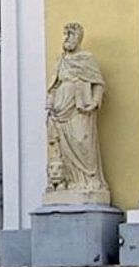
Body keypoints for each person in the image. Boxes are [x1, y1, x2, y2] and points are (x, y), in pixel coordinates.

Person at [45, 22, 108, 197]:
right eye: (65, 35)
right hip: (60, 109)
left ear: (78, 37)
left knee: (82, 140)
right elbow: (54, 86)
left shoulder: (87, 59)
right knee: (65, 147)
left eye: (70, 35)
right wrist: (50, 103)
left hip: (80, 108)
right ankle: (72, 181)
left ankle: (90, 181)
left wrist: (95, 101)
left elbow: (98, 83)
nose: (66, 38)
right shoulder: (61, 61)